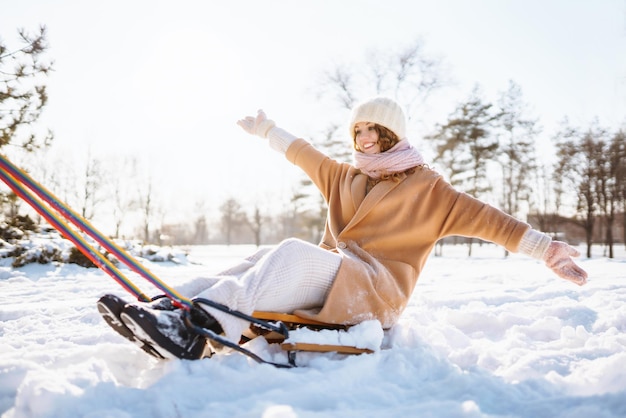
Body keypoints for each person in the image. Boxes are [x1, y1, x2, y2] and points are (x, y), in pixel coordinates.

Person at [98, 97, 588, 360]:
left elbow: (489, 220)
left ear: (392, 134)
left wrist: (546, 249)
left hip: (375, 291)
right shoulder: (345, 177)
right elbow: (306, 153)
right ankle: (167, 307)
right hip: (338, 277)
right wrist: (268, 131)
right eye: (358, 131)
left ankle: (200, 330)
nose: (364, 138)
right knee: (258, 260)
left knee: (289, 252)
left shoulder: (429, 189)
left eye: (373, 129)